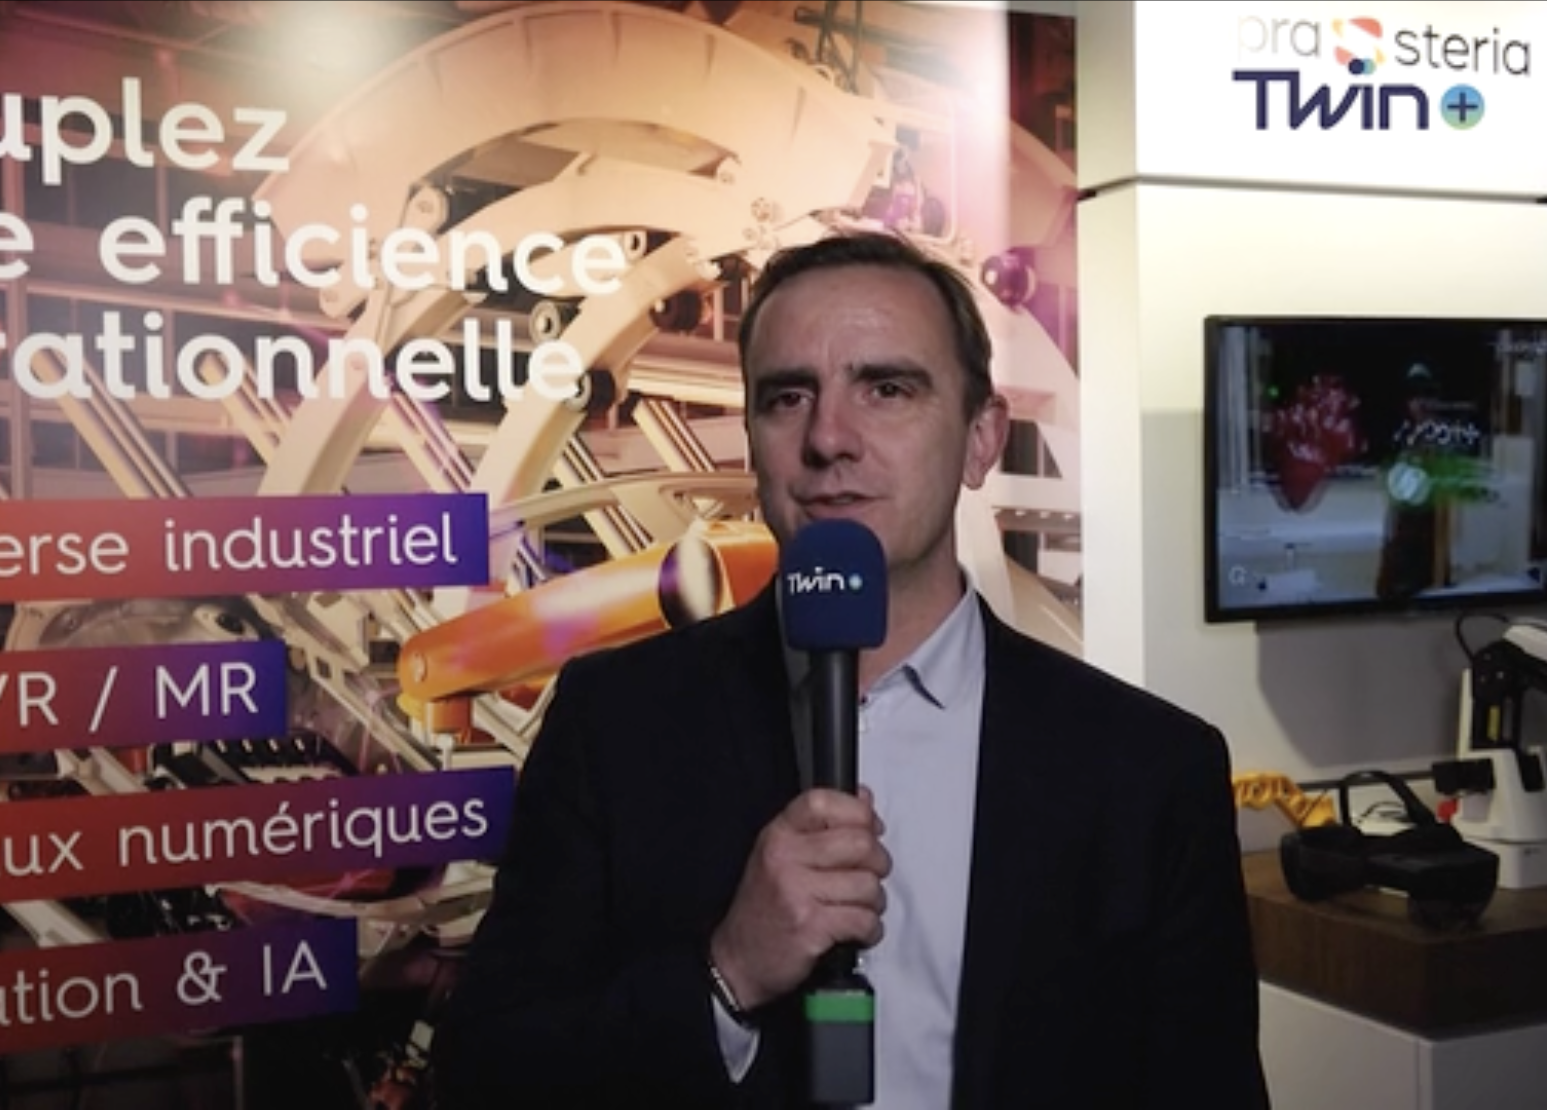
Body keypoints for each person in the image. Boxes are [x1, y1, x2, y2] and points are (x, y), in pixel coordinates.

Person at [430, 232, 1268, 1109]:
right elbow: (489, 1072)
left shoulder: (1147, 769)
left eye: (888, 389)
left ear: (982, 439)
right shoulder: (615, 725)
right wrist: (725, 975)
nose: (829, 438)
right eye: (788, 397)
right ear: (752, 440)